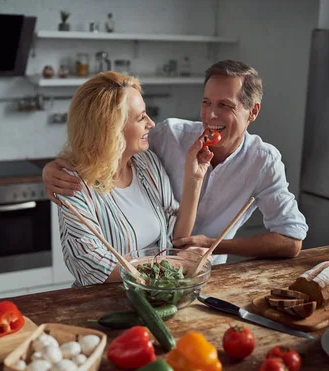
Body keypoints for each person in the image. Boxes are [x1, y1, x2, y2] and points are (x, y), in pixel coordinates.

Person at [44, 60, 309, 264]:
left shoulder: (263, 161)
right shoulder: (168, 136)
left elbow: (291, 240)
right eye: (206, 102)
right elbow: (107, 141)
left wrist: (213, 244)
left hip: (207, 271)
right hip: (158, 274)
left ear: (253, 111)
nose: (211, 115)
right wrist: (54, 167)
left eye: (225, 106)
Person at [55, 71, 213, 286]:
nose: (151, 123)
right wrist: (175, 263)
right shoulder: (73, 184)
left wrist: (194, 179)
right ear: (111, 129)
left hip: (153, 297)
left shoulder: (147, 163)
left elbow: (176, 237)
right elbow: (93, 265)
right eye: (141, 118)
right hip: (100, 305)